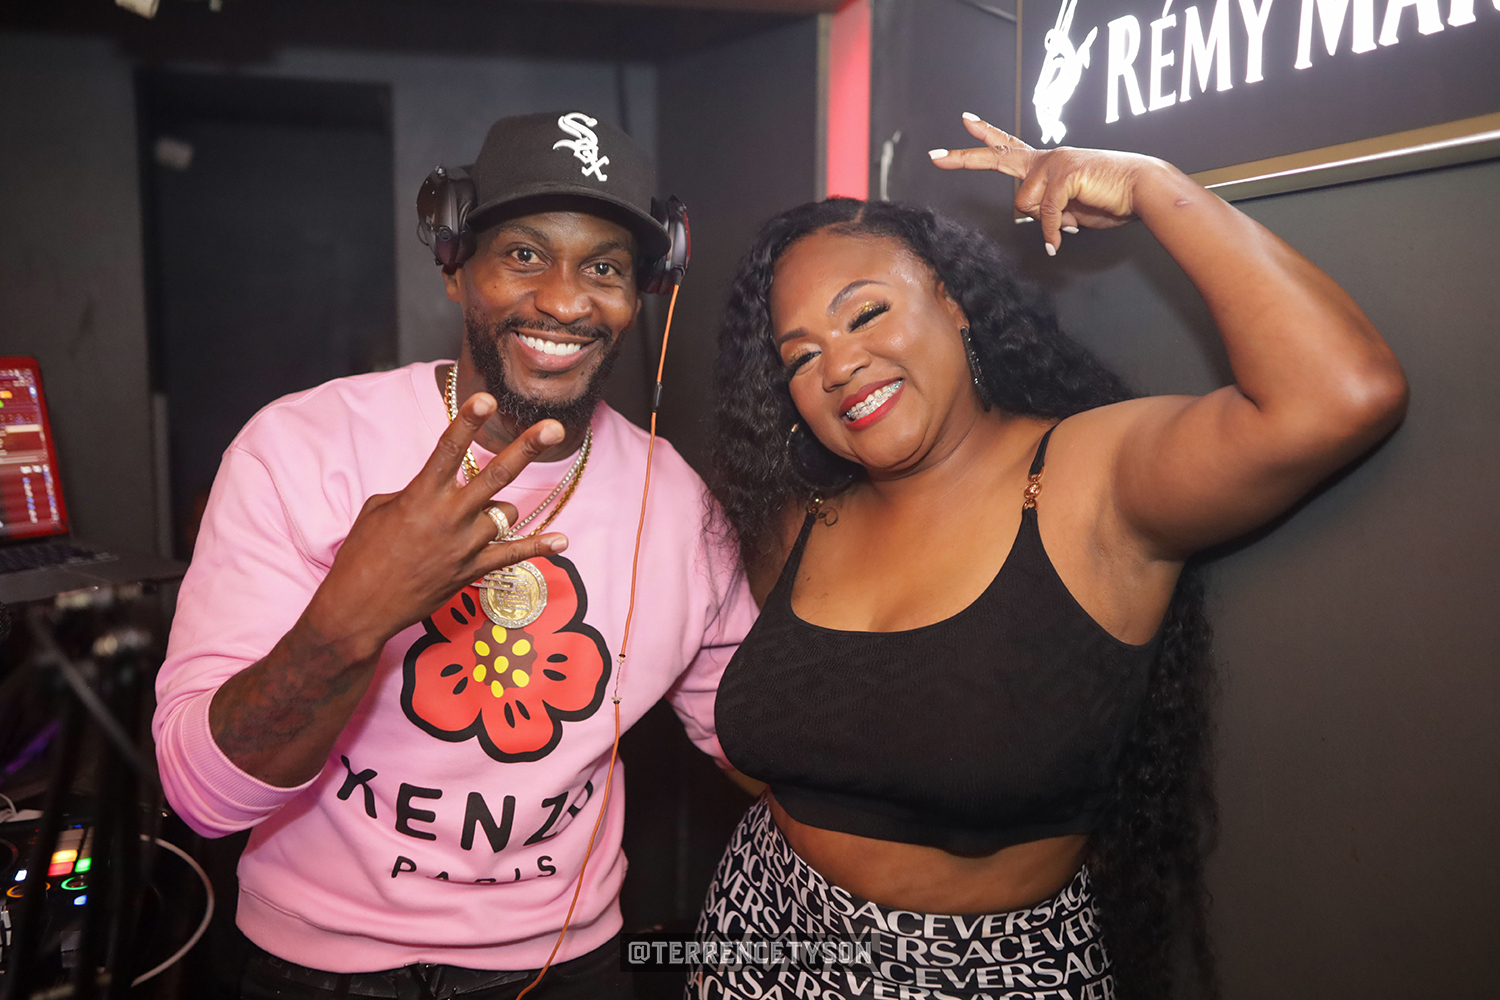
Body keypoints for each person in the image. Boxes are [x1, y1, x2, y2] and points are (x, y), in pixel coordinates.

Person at [695, 114, 1407, 1000]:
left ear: (953, 301)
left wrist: (1152, 185)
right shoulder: (801, 518)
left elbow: (1343, 393)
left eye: (866, 313)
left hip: (988, 974)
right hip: (759, 929)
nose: (839, 366)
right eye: (802, 358)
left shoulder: (1087, 477)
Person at [152, 111, 758, 1000]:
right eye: (524, 255)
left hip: (565, 968)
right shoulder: (300, 447)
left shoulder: (679, 505)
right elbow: (203, 801)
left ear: (644, 293)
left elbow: (760, 746)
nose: (565, 301)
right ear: (454, 266)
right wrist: (349, 620)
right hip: (314, 970)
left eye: (604, 268)